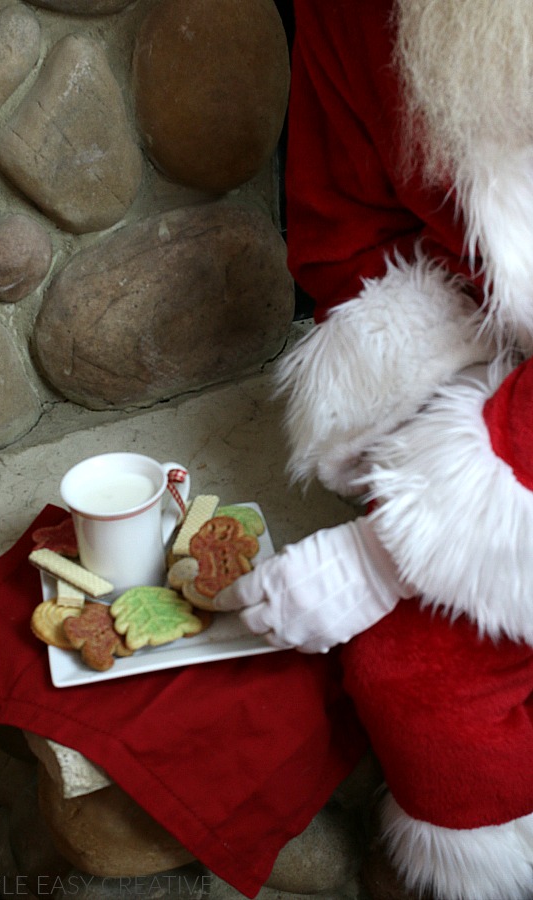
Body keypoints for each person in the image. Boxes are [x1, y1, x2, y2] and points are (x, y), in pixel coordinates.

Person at [216, 2, 533, 898]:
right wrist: (407, 435)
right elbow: (347, 225)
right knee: (413, 669)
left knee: (412, 667)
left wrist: (395, 550)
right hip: (498, 374)